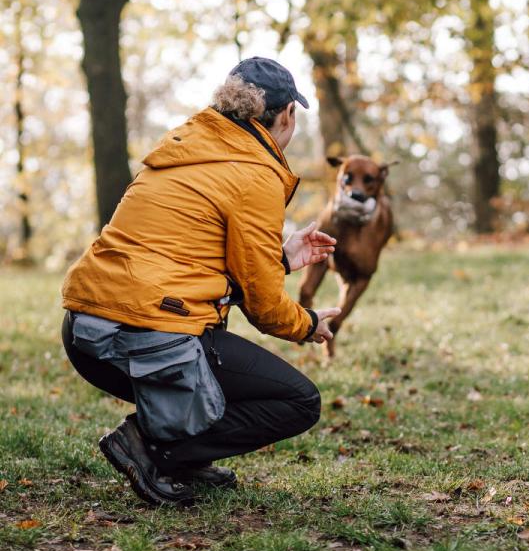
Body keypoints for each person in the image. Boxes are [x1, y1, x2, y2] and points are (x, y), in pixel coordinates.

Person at [61, 57, 340, 506]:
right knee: (298, 400)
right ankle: (155, 448)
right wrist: (308, 324)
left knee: (215, 345)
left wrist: (281, 258)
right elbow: (265, 307)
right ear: (288, 114)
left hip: (85, 332)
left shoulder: (187, 142)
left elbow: (193, 258)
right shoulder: (254, 172)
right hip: (139, 334)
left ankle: (185, 457)